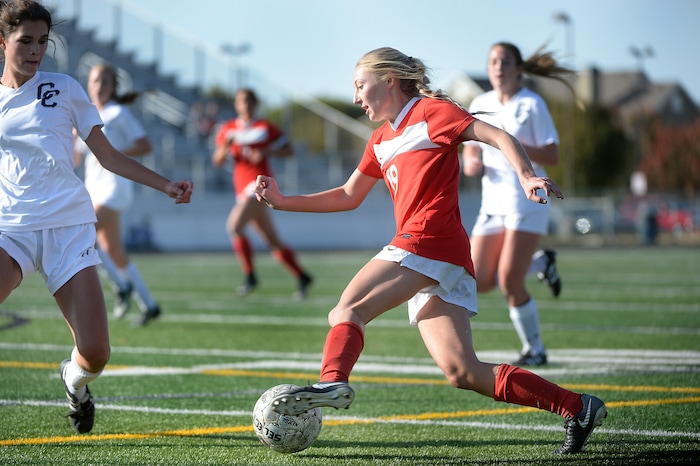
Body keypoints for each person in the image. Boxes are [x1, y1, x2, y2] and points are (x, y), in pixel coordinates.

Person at [253, 47, 606, 454]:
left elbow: (496, 135)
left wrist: (527, 176)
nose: (355, 97)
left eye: (359, 86)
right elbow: (349, 195)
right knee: (463, 371)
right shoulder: (380, 139)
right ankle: (577, 407)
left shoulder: (431, 112)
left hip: (428, 240)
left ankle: (333, 382)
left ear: (388, 81)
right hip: (443, 255)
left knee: (348, 309)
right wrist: (283, 201)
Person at [0, 0, 193, 434]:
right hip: (10, 230)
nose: (34, 50)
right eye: (24, 41)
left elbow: (107, 156)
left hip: (68, 227)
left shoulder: (64, 87)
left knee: (95, 352)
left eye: (42, 42)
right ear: (2, 41)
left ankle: (75, 384)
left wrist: (164, 184)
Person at [462, 43, 569, 367]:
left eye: (505, 61)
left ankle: (535, 350)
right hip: (492, 203)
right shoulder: (479, 103)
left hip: (528, 201)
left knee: (509, 281)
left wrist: (512, 145)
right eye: (493, 61)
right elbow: (469, 146)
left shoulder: (532, 104)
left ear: (519, 68)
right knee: (478, 280)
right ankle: (540, 264)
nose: (498, 67)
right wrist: (470, 161)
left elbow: (552, 154)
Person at [74, 62, 161, 327]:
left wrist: (113, 155)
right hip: (93, 190)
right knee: (114, 251)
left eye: (104, 81)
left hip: (115, 189)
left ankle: (121, 287)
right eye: (94, 81)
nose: (98, 86)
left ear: (113, 87)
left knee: (82, 235)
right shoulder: (83, 116)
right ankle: (150, 304)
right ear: (88, 85)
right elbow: (75, 157)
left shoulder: (117, 113)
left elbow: (145, 144)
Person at [212, 88, 312, 299]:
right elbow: (217, 161)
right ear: (236, 105)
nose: (244, 105)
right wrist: (224, 148)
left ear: (255, 104)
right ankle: (302, 276)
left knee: (234, 226)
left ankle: (250, 276)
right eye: (240, 101)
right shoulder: (228, 129)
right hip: (241, 188)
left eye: (248, 101)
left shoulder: (265, 127)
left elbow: (289, 150)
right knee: (273, 242)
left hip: (259, 184)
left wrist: (267, 152)